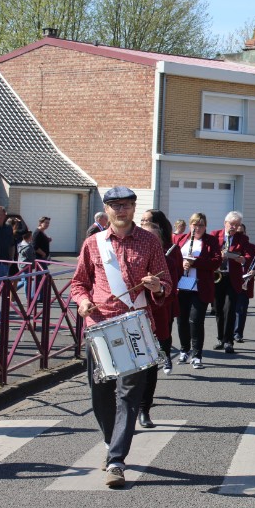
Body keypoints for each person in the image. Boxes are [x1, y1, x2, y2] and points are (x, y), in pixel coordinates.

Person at [70, 186, 171, 488]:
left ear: (133, 208)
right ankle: (110, 441)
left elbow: (166, 283)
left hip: (136, 326)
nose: (121, 210)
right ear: (107, 209)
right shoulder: (93, 243)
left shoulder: (149, 242)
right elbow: (78, 283)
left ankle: (116, 461)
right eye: (115, 205)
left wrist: (157, 287)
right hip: (100, 326)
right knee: (100, 394)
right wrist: (82, 302)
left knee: (128, 395)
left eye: (126, 205)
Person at [137, 218, 181, 428]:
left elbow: (170, 294)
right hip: (129, 319)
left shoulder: (168, 262)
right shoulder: (130, 259)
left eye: (152, 239)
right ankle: (126, 409)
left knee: (150, 367)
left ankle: (144, 409)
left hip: (156, 319)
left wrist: (158, 289)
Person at [174, 212, 221, 369]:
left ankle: (197, 355)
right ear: (190, 225)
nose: (197, 228)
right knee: (181, 321)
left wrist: (195, 262)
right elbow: (173, 260)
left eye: (201, 225)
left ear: (205, 226)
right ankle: (184, 350)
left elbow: (216, 261)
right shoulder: (181, 239)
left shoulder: (211, 241)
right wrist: (181, 264)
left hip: (200, 287)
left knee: (195, 321)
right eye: (195, 224)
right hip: (182, 286)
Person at [139, 209, 181, 375]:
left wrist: (160, 289)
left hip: (162, 303)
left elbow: (175, 276)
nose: (143, 223)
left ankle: (166, 356)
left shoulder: (170, 253)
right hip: (138, 307)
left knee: (164, 331)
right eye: (142, 221)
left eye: (147, 220)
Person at [210, 211, 254, 354]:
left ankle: (229, 341)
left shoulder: (242, 238)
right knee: (218, 309)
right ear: (225, 223)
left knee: (229, 309)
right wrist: (219, 255)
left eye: (237, 225)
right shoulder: (215, 235)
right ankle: (220, 339)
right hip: (218, 277)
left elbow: (248, 255)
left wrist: (242, 259)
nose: (234, 227)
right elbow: (209, 252)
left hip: (232, 278)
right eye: (232, 224)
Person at [233, 223, 255, 342]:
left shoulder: (252, 247)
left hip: (245, 282)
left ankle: (238, 334)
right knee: (230, 309)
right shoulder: (231, 246)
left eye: (242, 232)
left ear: (245, 233)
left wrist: (254, 271)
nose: (240, 235)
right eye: (238, 233)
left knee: (241, 310)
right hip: (231, 281)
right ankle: (228, 333)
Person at [17, 230, 36, 300]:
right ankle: (28, 297)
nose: (32, 237)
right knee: (27, 281)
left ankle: (11, 290)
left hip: (21, 264)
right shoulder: (28, 247)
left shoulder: (20, 244)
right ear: (29, 237)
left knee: (23, 280)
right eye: (31, 236)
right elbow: (31, 258)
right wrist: (34, 265)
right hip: (26, 266)